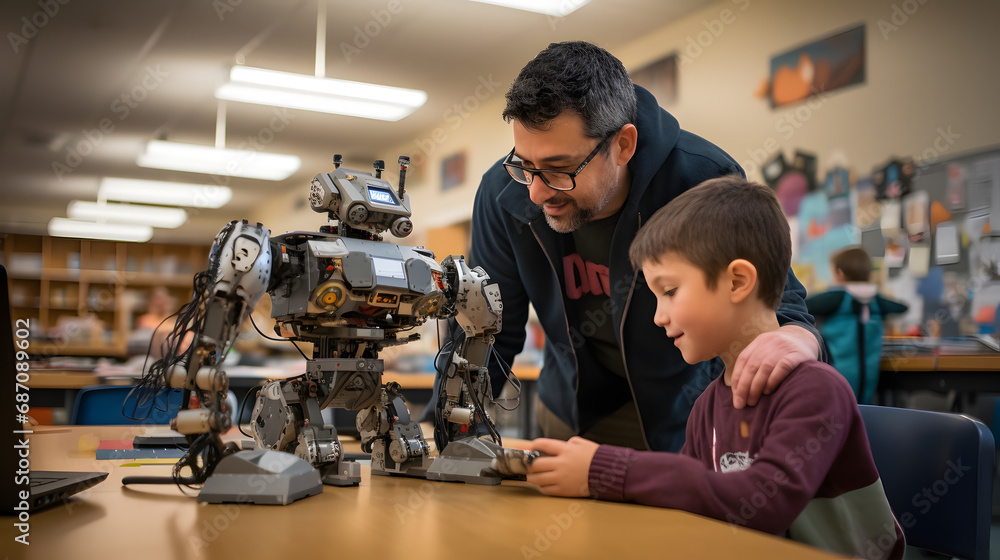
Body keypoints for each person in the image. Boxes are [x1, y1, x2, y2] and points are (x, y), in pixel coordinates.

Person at [465, 41, 824, 452]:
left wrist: (798, 336)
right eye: (525, 166)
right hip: (573, 407)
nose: (536, 193)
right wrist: (454, 428)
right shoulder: (504, 194)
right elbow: (486, 329)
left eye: (560, 170)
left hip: (684, 412)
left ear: (623, 145)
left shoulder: (700, 178)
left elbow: (772, 296)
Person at [526, 177, 904, 560]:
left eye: (670, 291)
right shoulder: (707, 404)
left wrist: (607, 470)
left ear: (737, 281)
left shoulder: (817, 390)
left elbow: (761, 506)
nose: (658, 317)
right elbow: (694, 505)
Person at [805, 247, 908, 404]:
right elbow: (902, 307)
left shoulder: (836, 297)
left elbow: (804, 304)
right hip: (869, 377)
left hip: (836, 375)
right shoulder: (876, 300)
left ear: (840, 274)